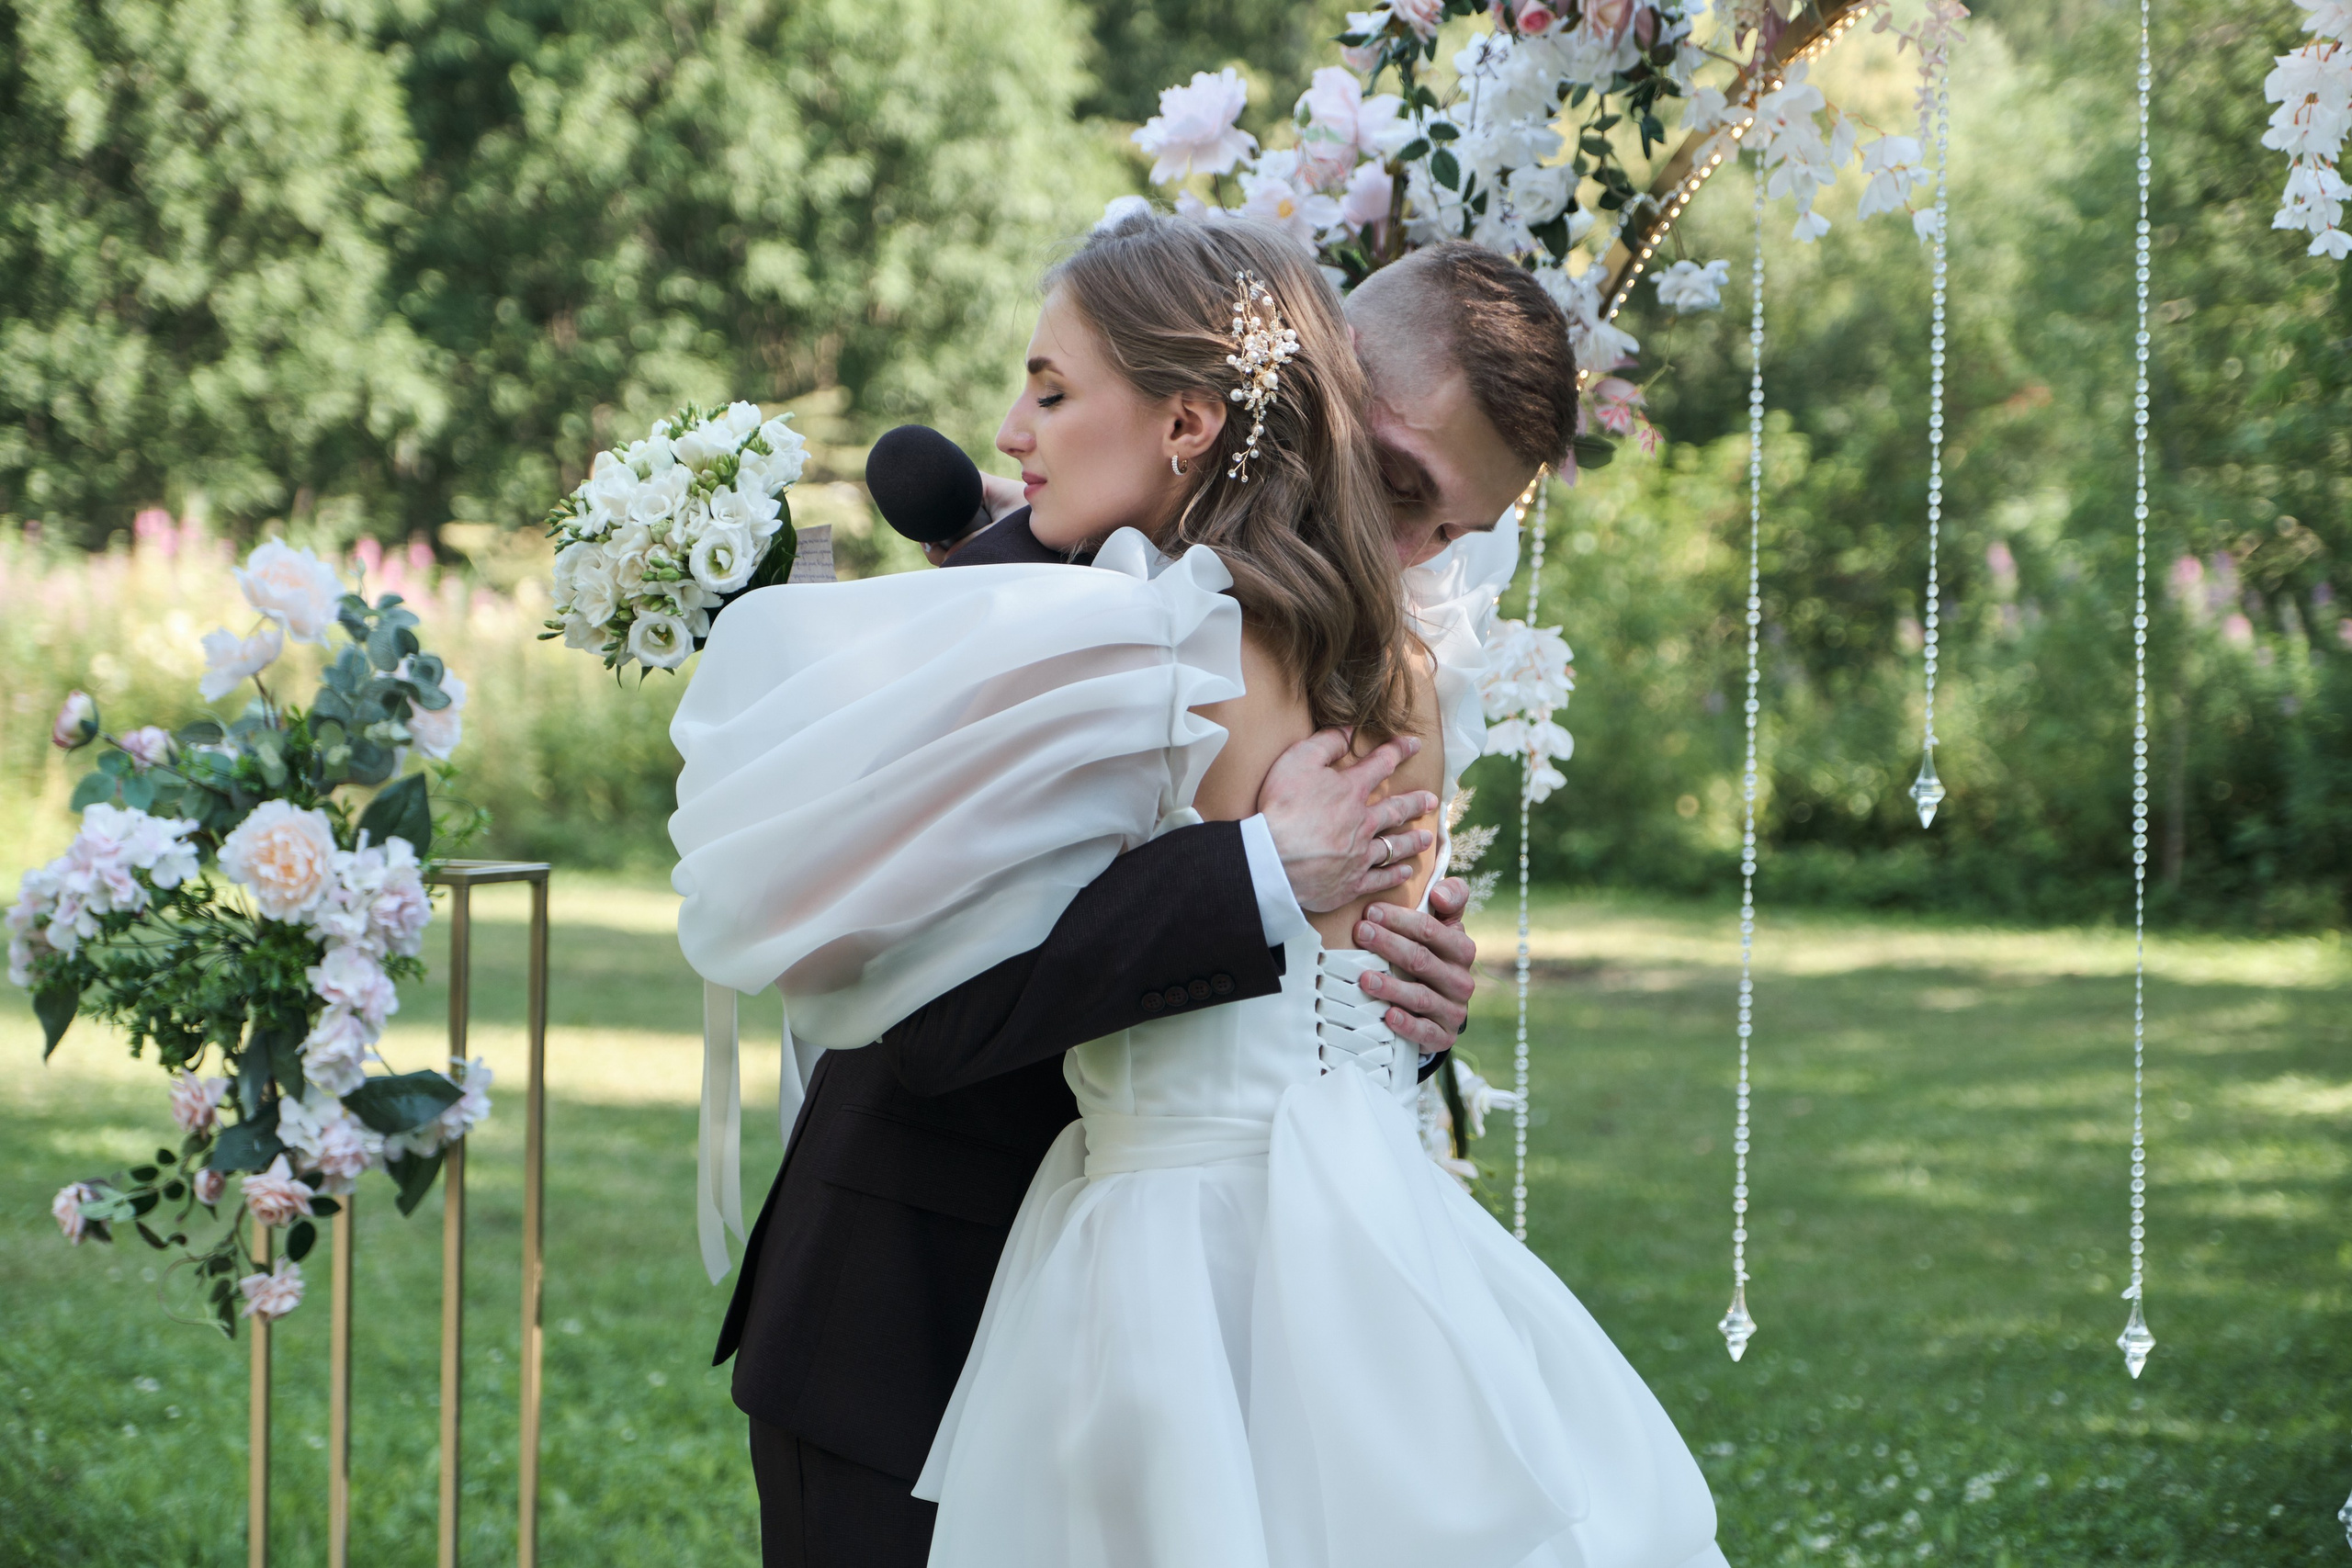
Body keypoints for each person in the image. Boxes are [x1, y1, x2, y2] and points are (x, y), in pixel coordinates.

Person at [673, 209, 1723, 1568]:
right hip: (918, 1300)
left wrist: (1409, 998)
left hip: (1251, 1289)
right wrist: (1257, 876)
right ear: (1297, 377)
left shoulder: (1381, 667)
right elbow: (919, 999)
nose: (1407, 555)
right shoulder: (1043, 576)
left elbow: (1333, 1008)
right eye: (1399, 490)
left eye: (1447, 530)